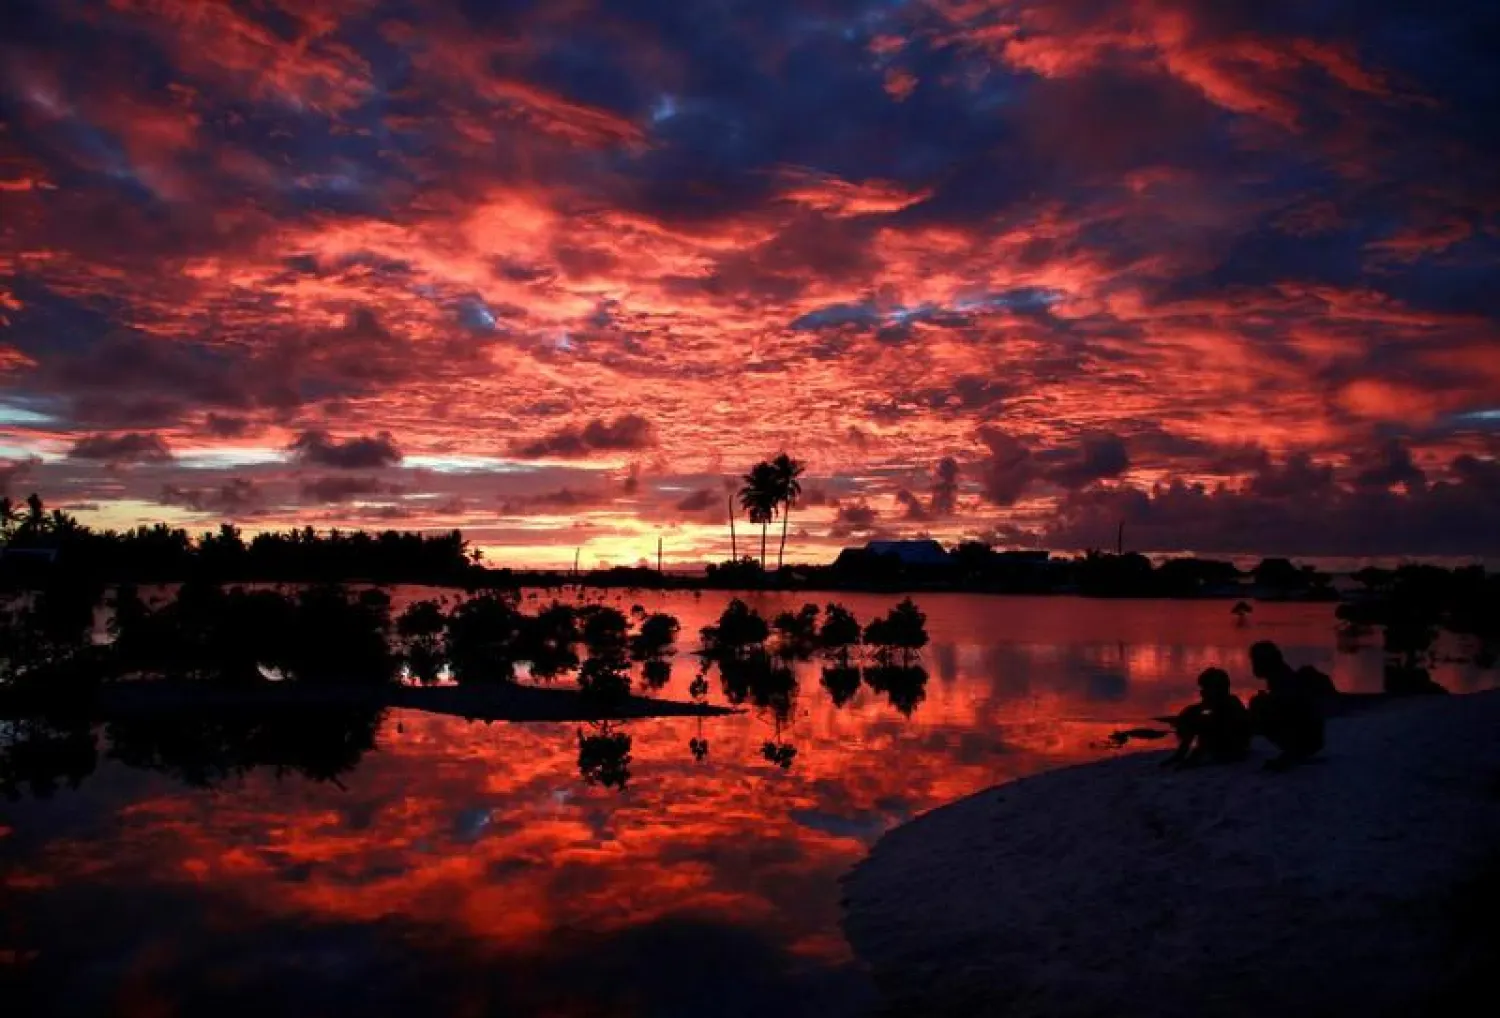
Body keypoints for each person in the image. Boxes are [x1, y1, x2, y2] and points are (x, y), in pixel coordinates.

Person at [1247, 641, 1325, 768]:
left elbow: (1290, 710)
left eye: (1255, 660)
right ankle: (1294, 750)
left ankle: (1293, 751)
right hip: (1309, 734)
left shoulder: (1282, 678)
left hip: (1306, 736)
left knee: (1258, 705)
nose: (1253, 664)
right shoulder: (1280, 675)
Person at [1162, 668, 1252, 768]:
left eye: (1205, 688)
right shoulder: (1217, 703)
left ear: (1216, 689)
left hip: (1233, 750)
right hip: (1226, 747)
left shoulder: (1228, 705)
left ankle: (1191, 759)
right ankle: (1180, 755)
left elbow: (1209, 728)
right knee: (1195, 715)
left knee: (1203, 721)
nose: (1202, 692)